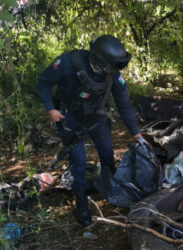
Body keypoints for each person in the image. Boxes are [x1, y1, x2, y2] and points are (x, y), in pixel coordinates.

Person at [37, 35, 147, 226]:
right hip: (69, 117)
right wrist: (50, 108)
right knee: (78, 163)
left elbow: (124, 104)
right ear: (99, 60)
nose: (112, 72)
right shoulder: (67, 63)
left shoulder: (113, 72)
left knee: (107, 155)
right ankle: (81, 206)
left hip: (96, 116)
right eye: (110, 68)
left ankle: (110, 190)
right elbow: (43, 82)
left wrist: (136, 132)